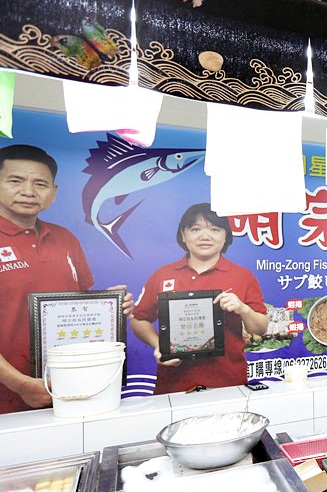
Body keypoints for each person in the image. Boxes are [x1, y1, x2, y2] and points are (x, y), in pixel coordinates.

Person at [0, 144, 133, 414]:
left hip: (72, 389)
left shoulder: (65, 238)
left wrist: (109, 307)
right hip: (9, 398)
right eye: (15, 181)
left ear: (53, 192)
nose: (28, 191)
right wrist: (21, 384)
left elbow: (77, 303)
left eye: (40, 184)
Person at [131, 203, 268, 394]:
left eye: (214, 229)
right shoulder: (162, 275)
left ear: (226, 235)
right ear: (183, 235)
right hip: (173, 384)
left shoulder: (243, 276)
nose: (205, 236)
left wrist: (243, 309)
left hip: (228, 382)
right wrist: (158, 346)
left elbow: (260, 328)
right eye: (195, 229)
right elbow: (139, 318)